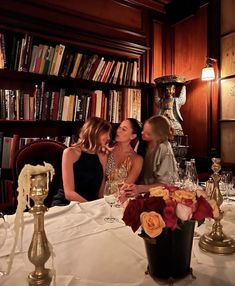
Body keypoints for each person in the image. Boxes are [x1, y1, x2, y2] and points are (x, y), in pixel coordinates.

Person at [51, 117, 112, 206]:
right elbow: (69, 193)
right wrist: (91, 206)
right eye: (105, 133)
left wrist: (104, 206)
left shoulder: (103, 155)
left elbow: (101, 193)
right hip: (66, 204)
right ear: (94, 132)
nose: (108, 137)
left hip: (91, 205)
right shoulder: (70, 153)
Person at [121, 115, 178, 197]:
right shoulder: (142, 143)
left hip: (158, 195)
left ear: (158, 136)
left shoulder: (164, 149)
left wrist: (140, 188)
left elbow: (166, 184)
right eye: (143, 130)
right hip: (139, 191)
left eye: (147, 133)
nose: (142, 133)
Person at [105, 118, 144, 188]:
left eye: (124, 129)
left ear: (132, 136)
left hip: (122, 196)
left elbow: (127, 186)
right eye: (119, 127)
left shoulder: (137, 159)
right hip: (100, 195)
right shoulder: (106, 150)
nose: (118, 131)